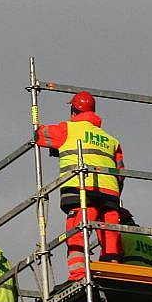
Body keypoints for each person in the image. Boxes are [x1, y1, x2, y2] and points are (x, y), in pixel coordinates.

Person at [35, 91, 125, 280]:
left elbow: (40, 135)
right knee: (110, 237)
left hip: (81, 190)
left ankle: (79, 275)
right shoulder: (111, 139)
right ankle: (113, 272)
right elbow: (121, 173)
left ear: (73, 110)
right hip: (110, 195)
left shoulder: (68, 129)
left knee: (77, 234)